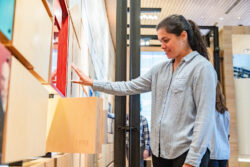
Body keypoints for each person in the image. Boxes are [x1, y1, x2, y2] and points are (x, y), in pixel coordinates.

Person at [72, 14, 217, 167]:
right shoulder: (160, 70)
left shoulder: (202, 68)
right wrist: (93, 82)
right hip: (161, 154)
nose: (162, 46)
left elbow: (205, 117)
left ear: (183, 36)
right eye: (160, 41)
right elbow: (128, 86)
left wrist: (193, 160)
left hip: (186, 154)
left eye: (166, 40)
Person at [208, 82, 230, 167]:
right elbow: (227, 133)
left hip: (212, 152)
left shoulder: (207, 111)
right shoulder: (226, 112)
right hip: (224, 153)